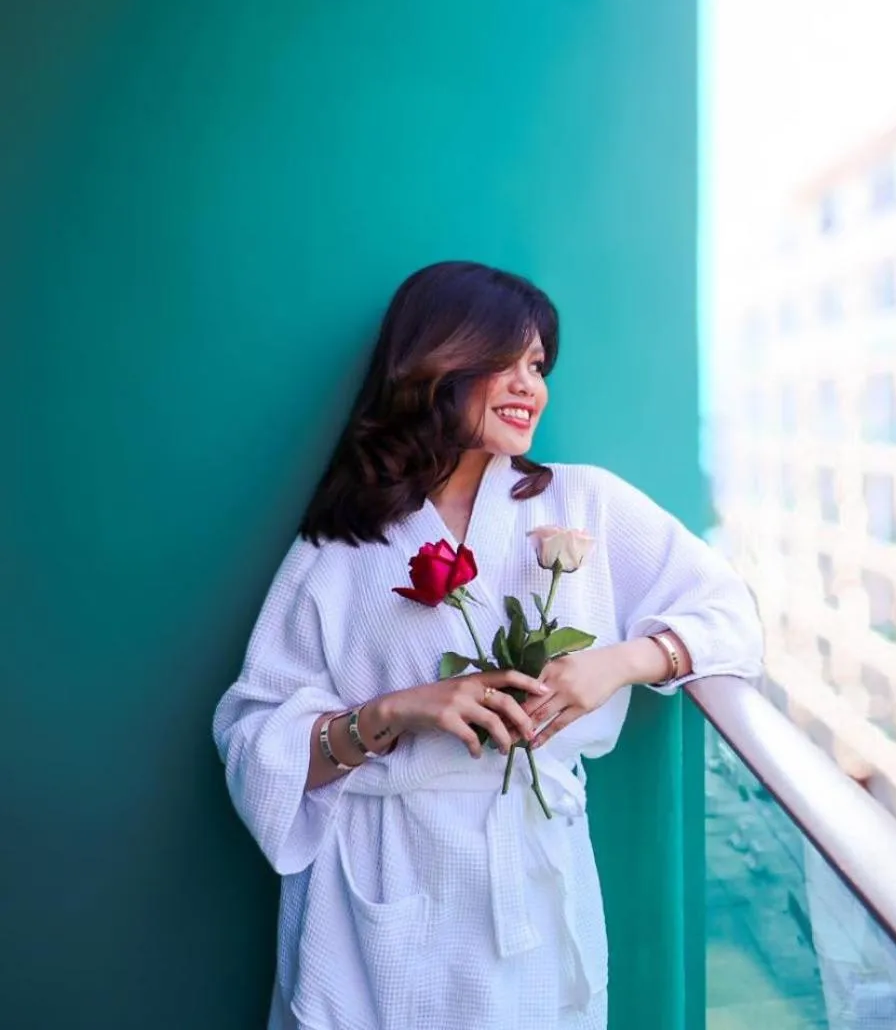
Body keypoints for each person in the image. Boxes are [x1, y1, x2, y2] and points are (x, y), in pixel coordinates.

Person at [213, 261, 763, 1030]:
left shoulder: (582, 502)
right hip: (383, 882)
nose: (528, 385)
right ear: (434, 364)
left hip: (531, 879)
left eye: (537, 365)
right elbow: (251, 738)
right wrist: (397, 712)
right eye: (501, 362)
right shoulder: (342, 543)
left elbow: (731, 610)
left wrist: (618, 663)